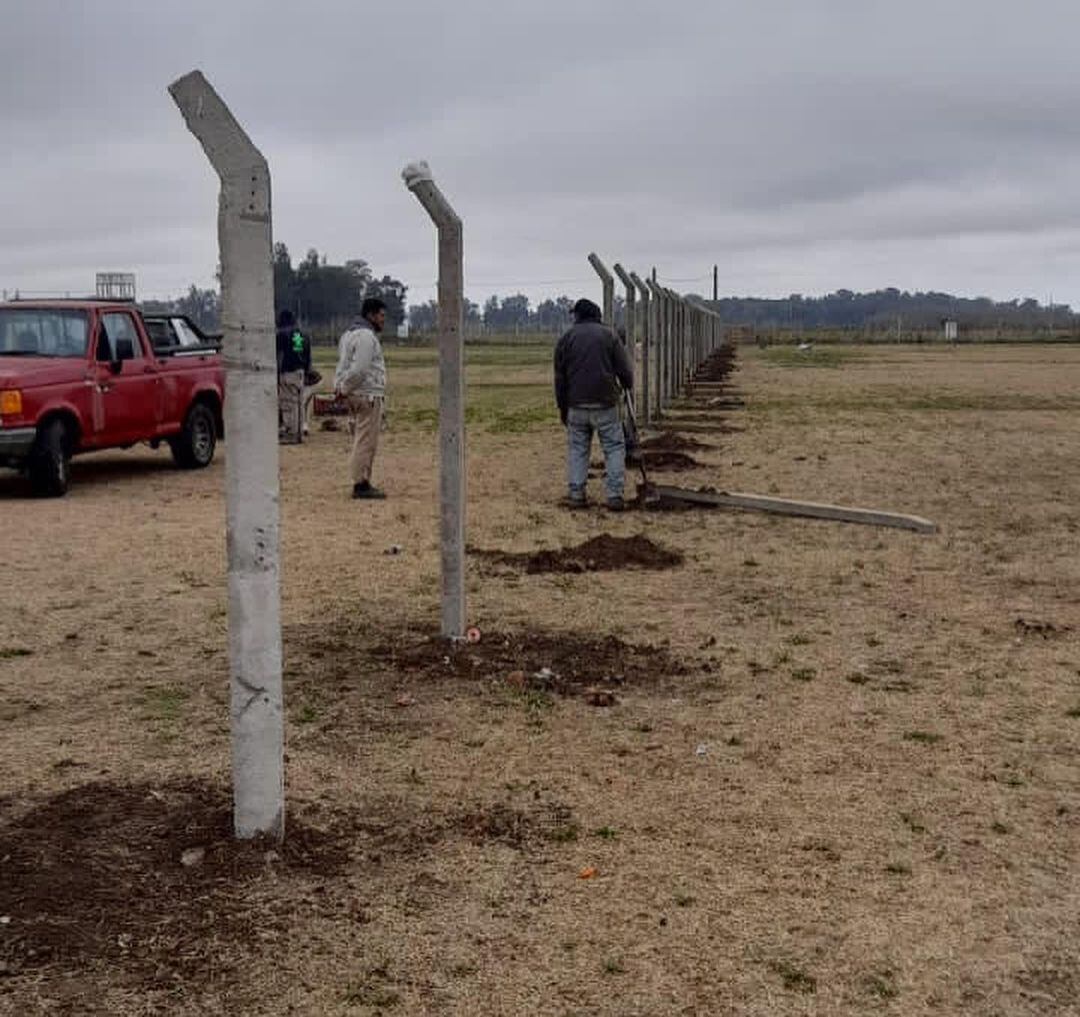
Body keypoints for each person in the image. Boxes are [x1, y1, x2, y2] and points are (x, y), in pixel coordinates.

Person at [554, 298, 634, 511]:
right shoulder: (610, 336)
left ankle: (577, 494)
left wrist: (563, 407)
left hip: (576, 404)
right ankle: (615, 495)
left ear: (579, 315)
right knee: (614, 447)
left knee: (578, 449)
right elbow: (624, 369)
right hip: (606, 403)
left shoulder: (566, 338)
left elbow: (560, 378)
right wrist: (627, 385)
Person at [334, 297, 388, 499]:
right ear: (371, 315)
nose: (383, 320)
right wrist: (345, 388)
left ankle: (361, 481)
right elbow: (360, 369)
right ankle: (361, 483)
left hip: (356, 393)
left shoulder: (348, 335)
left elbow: (342, 366)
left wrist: (340, 387)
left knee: (361, 438)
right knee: (366, 441)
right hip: (366, 394)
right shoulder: (366, 337)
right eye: (381, 316)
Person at [276, 309, 311, 444]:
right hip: (300, 372)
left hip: (288, 372)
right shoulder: (303, 334)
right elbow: (308, 356)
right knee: (299, 404)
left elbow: (277, 354)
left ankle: (291, 433)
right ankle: (298, 432)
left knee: (288, 403)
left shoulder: (282, 334)